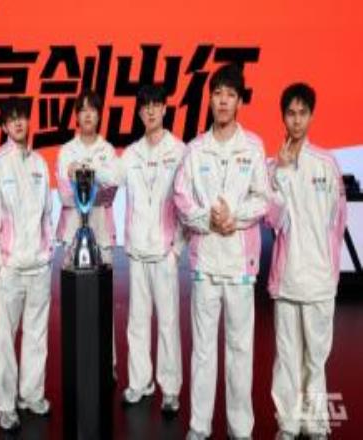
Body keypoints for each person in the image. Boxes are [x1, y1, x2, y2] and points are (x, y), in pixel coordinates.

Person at [174, 64, 269, 440]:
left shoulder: (254, 147)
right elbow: (181, 198)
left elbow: (262, 198)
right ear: (210, 99)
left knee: (240, 350)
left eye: (230, 94)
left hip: (241, 265)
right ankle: (199, 426)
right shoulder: (195, 150)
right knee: (202, 351)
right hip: (205, 263)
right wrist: (208, 221)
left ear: (239, 101)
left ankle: (240, 428)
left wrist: (235, 218)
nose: (223, 101)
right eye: (217, 94)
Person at [267, 83, 347, 440]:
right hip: (286, 280)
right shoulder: (272, 167)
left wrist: (330, 270)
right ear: (282, 117)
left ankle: (315, 424)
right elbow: (273, 220)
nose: (296, 120)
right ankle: (288, 424)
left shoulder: (327, 164)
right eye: (291, 113)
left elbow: (337, 223)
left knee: (316, 358)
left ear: (311, 116)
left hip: (319, 281)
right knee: (287, 357)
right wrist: (283, 173)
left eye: (302, 113)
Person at [0, 96, 53, 431]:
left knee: (37, 335)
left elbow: (47, 215)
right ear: (4, 125)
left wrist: (47, 252)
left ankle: (31, 395)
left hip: (39, 266)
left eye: (23, 117)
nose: (18, 123)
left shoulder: (40, 163)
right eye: (12, 118)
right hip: (11, 268)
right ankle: (5, 405)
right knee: (5, 339)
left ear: (29, 121)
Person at [119, 84, 185, 414]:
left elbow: (188, 202)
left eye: (156, 104)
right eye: (145, 106)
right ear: (139, 112)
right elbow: (108, 179)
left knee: (168, 322)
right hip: (137, 252)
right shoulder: (130, 154)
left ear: (164, 108)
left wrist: (177, 249)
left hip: (164, 252)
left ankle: (170, 388)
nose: (150, 111)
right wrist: (80, 169)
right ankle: (139, 382)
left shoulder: (180, 151)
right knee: (137, 321)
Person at [56, 89, 118, 266]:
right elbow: (65, 197)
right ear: (77, 116)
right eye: (83, 110)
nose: (88, 115)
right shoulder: (67, 151)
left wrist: (85, 174)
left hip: (102, 234)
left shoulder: (108, 150)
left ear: (99, 115)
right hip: (72, 235)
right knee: (72, 284)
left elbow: (109, 195)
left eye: (92, 110)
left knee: (103, 284)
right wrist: (96, 183)